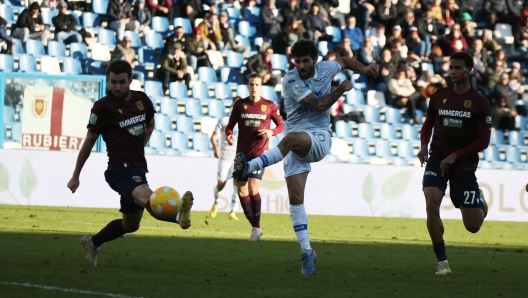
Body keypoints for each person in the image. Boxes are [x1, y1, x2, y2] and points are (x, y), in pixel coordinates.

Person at [232, 39, 379, 275]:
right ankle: (307, 252)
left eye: (305, 61)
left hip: (319, 137)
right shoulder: (291, 80)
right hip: (296, 138)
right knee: (295, 198)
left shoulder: (326, 69)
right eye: (297, 61)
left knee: (289, 140)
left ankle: (248, 168)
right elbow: (320, 105)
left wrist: (364, 68)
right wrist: (341, 89)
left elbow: (342, 61)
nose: (300, 66)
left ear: (315, 60)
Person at [67, 60, 194, 266]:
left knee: (130, 224)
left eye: (121, 82)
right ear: (108, 81)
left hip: (137, 168)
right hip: (118, 170)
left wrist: (140, 146)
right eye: (113, 82)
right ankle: (179, 215)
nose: (117, 87)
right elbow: (89, 141)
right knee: (146, 195)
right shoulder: (102, 107)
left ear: (130, 81)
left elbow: (150, 124)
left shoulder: (142, 100)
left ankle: (92, 242)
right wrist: (76, 175)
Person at [417, 52, 491, 275]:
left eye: (458, 67)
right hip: (438, 157)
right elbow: (428, 123)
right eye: (451, 67)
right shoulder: (439, 96)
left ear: (469, 70)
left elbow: (484, 140)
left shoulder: (480, 102)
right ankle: (442, 262)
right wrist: (423, 145)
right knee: (431, 202)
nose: (453, 71)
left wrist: (457, 155)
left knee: (472, 226)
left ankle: (479, 201)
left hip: (463, 164)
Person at [225, 74, 284, 242]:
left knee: (252, 189)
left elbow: (281, 125)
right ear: (248, 85)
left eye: (257, 84)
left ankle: (255, 228)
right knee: (241, 190)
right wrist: (229, 135)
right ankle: (256, 227)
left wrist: (271, 132)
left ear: (261, 86)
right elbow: (229, 127)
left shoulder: (269, 106)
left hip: (259, 154)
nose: (254, 87)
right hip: (241, 155)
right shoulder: (240, 105)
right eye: (251, 84)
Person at [209, 96, 242, 221]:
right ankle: (216, 202)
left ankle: (232, 212)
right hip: (225, 157)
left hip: (239, 157)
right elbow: (213, 136)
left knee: (237, 184)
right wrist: (216, 148)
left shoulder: (244, 121)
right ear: (233, 106)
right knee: (221, 183)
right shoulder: (224, 120)